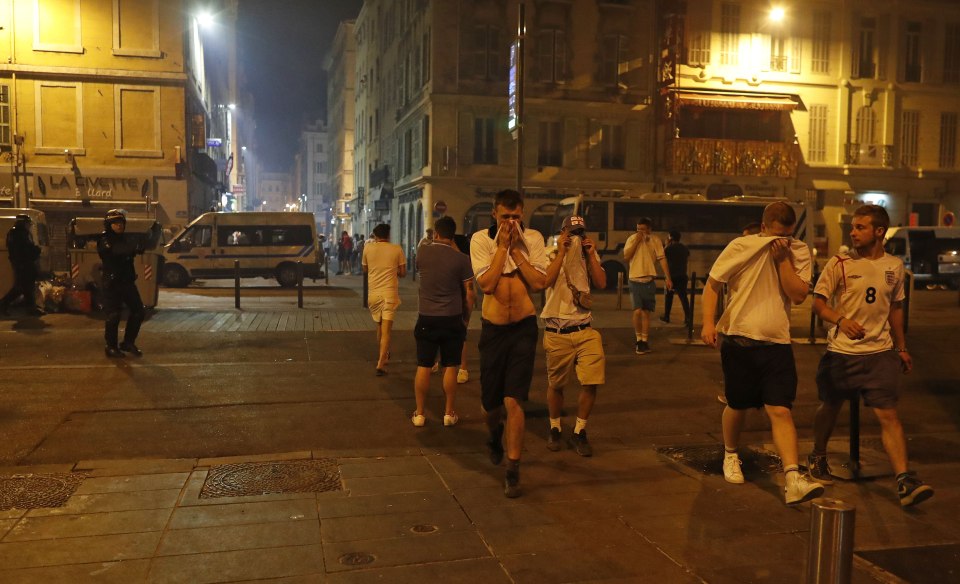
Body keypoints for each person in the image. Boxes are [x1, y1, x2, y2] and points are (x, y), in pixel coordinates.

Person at [808, 205, 933, 507]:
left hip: (879, 354)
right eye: (853, 227)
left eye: (860, 227)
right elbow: (818, 304)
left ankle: (904, 480)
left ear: (879, 232)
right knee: (831, 405)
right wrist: (840, 320)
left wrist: (901, 347)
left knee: (888, 415)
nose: (853, 232)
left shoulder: (894, 266)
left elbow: (896, 308)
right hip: (842, 353)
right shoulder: (838, 263)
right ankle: (818, 455)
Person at [701, 201, 824, 505]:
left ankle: (793, 477)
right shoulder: (741, 246)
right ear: (764, 226)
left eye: (789, 235)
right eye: (777, 234)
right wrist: (707, 322)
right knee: (737, 404)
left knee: (781, 409)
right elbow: (713, 284)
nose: (782, 241)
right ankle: (730, 454)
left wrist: (783, 260)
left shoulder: (797, 252)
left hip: (777, 344)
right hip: (739, 339)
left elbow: (797, 296)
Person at [471, 189, 547, 498]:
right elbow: (486, 285)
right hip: (494, 330)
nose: (512, 222)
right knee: (491, 405)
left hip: (524, 329)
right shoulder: (480, 240)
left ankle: (513, 468)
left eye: (517, 217)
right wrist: (502, 247)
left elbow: (539, 283)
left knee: (515, 400)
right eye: (506, 217)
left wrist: (517, 250)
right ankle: (493, 434)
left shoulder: (534, 239)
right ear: (494, 214)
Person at [541, 215, 607, 456]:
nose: (577, 237)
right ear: (562, 232)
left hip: (585, 328)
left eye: (580, 232)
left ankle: (580, 431)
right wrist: (561, 252)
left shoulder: (587, 254)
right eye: (572, 232)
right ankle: (555, 427)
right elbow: (544, 281)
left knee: (591, 382)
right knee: (556, 385)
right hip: (557, 329)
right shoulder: (550, 252)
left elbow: (601, 282)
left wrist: (591, 255)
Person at [412, 216, 476, 427]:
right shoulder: (462, 259)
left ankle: (420, 413)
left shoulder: (422, 253)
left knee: (424, 364)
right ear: (453, 235)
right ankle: (449, 413)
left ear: (436, 233)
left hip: (427, 317)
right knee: (450, 365)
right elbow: (470, 293)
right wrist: (466, 318)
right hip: (452, 317)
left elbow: (421, 268)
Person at [99, 209, 158, 358]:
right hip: (112, 284)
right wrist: (133, 247)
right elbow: (114, 251)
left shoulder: (125, 239)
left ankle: (128, 342)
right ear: (109, 225)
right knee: (113, 315)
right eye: (115, 223)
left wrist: (152, 234)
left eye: (121, 223)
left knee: (138, 312)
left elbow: (143, 246)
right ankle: (110, 347)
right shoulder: (104, 240)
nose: (119, 226)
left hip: (127, 283)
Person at [362, 223, 406, 375]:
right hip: (389, 294)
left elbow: (365, 269)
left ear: (375, 235)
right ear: (388, 235)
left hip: (373, 294)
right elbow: (403, 272)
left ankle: (383, 355)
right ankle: (381, 363)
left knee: (380, 327)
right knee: (387, 330)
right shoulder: (396, 249)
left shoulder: (367, 248)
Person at [623, 217, 672, 354]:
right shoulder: (632, 239)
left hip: (649, 280)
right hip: (634, 279)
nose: (640, 232)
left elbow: (662, 259)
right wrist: (637, 241)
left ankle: (644, 341)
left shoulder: (655, 240)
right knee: (637, 310)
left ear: (649, 229)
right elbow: (626, 257)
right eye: (638, 229)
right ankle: (638, 339)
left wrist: (668, 278)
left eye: (643, 230)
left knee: (646, 312)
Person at [0, 214, 42, 316]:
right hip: (24, 264)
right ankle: (2, 305)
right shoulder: (21, 234)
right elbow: (26, 250)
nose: (29, 226)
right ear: (24, 223)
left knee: (26, 288)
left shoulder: (13, 233)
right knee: (22, 288)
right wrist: (37, 250)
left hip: (19, 264)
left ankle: (31, 309)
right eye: (28, 223)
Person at [660, 230, 691, 326]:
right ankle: (688, 318)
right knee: (683, 298)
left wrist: (666, 244)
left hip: (671, 276)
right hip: (682, 275)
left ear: (671, 238)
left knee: (669, 297)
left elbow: (661, 256)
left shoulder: (669, 249)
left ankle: (667, 317)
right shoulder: (684, 248)